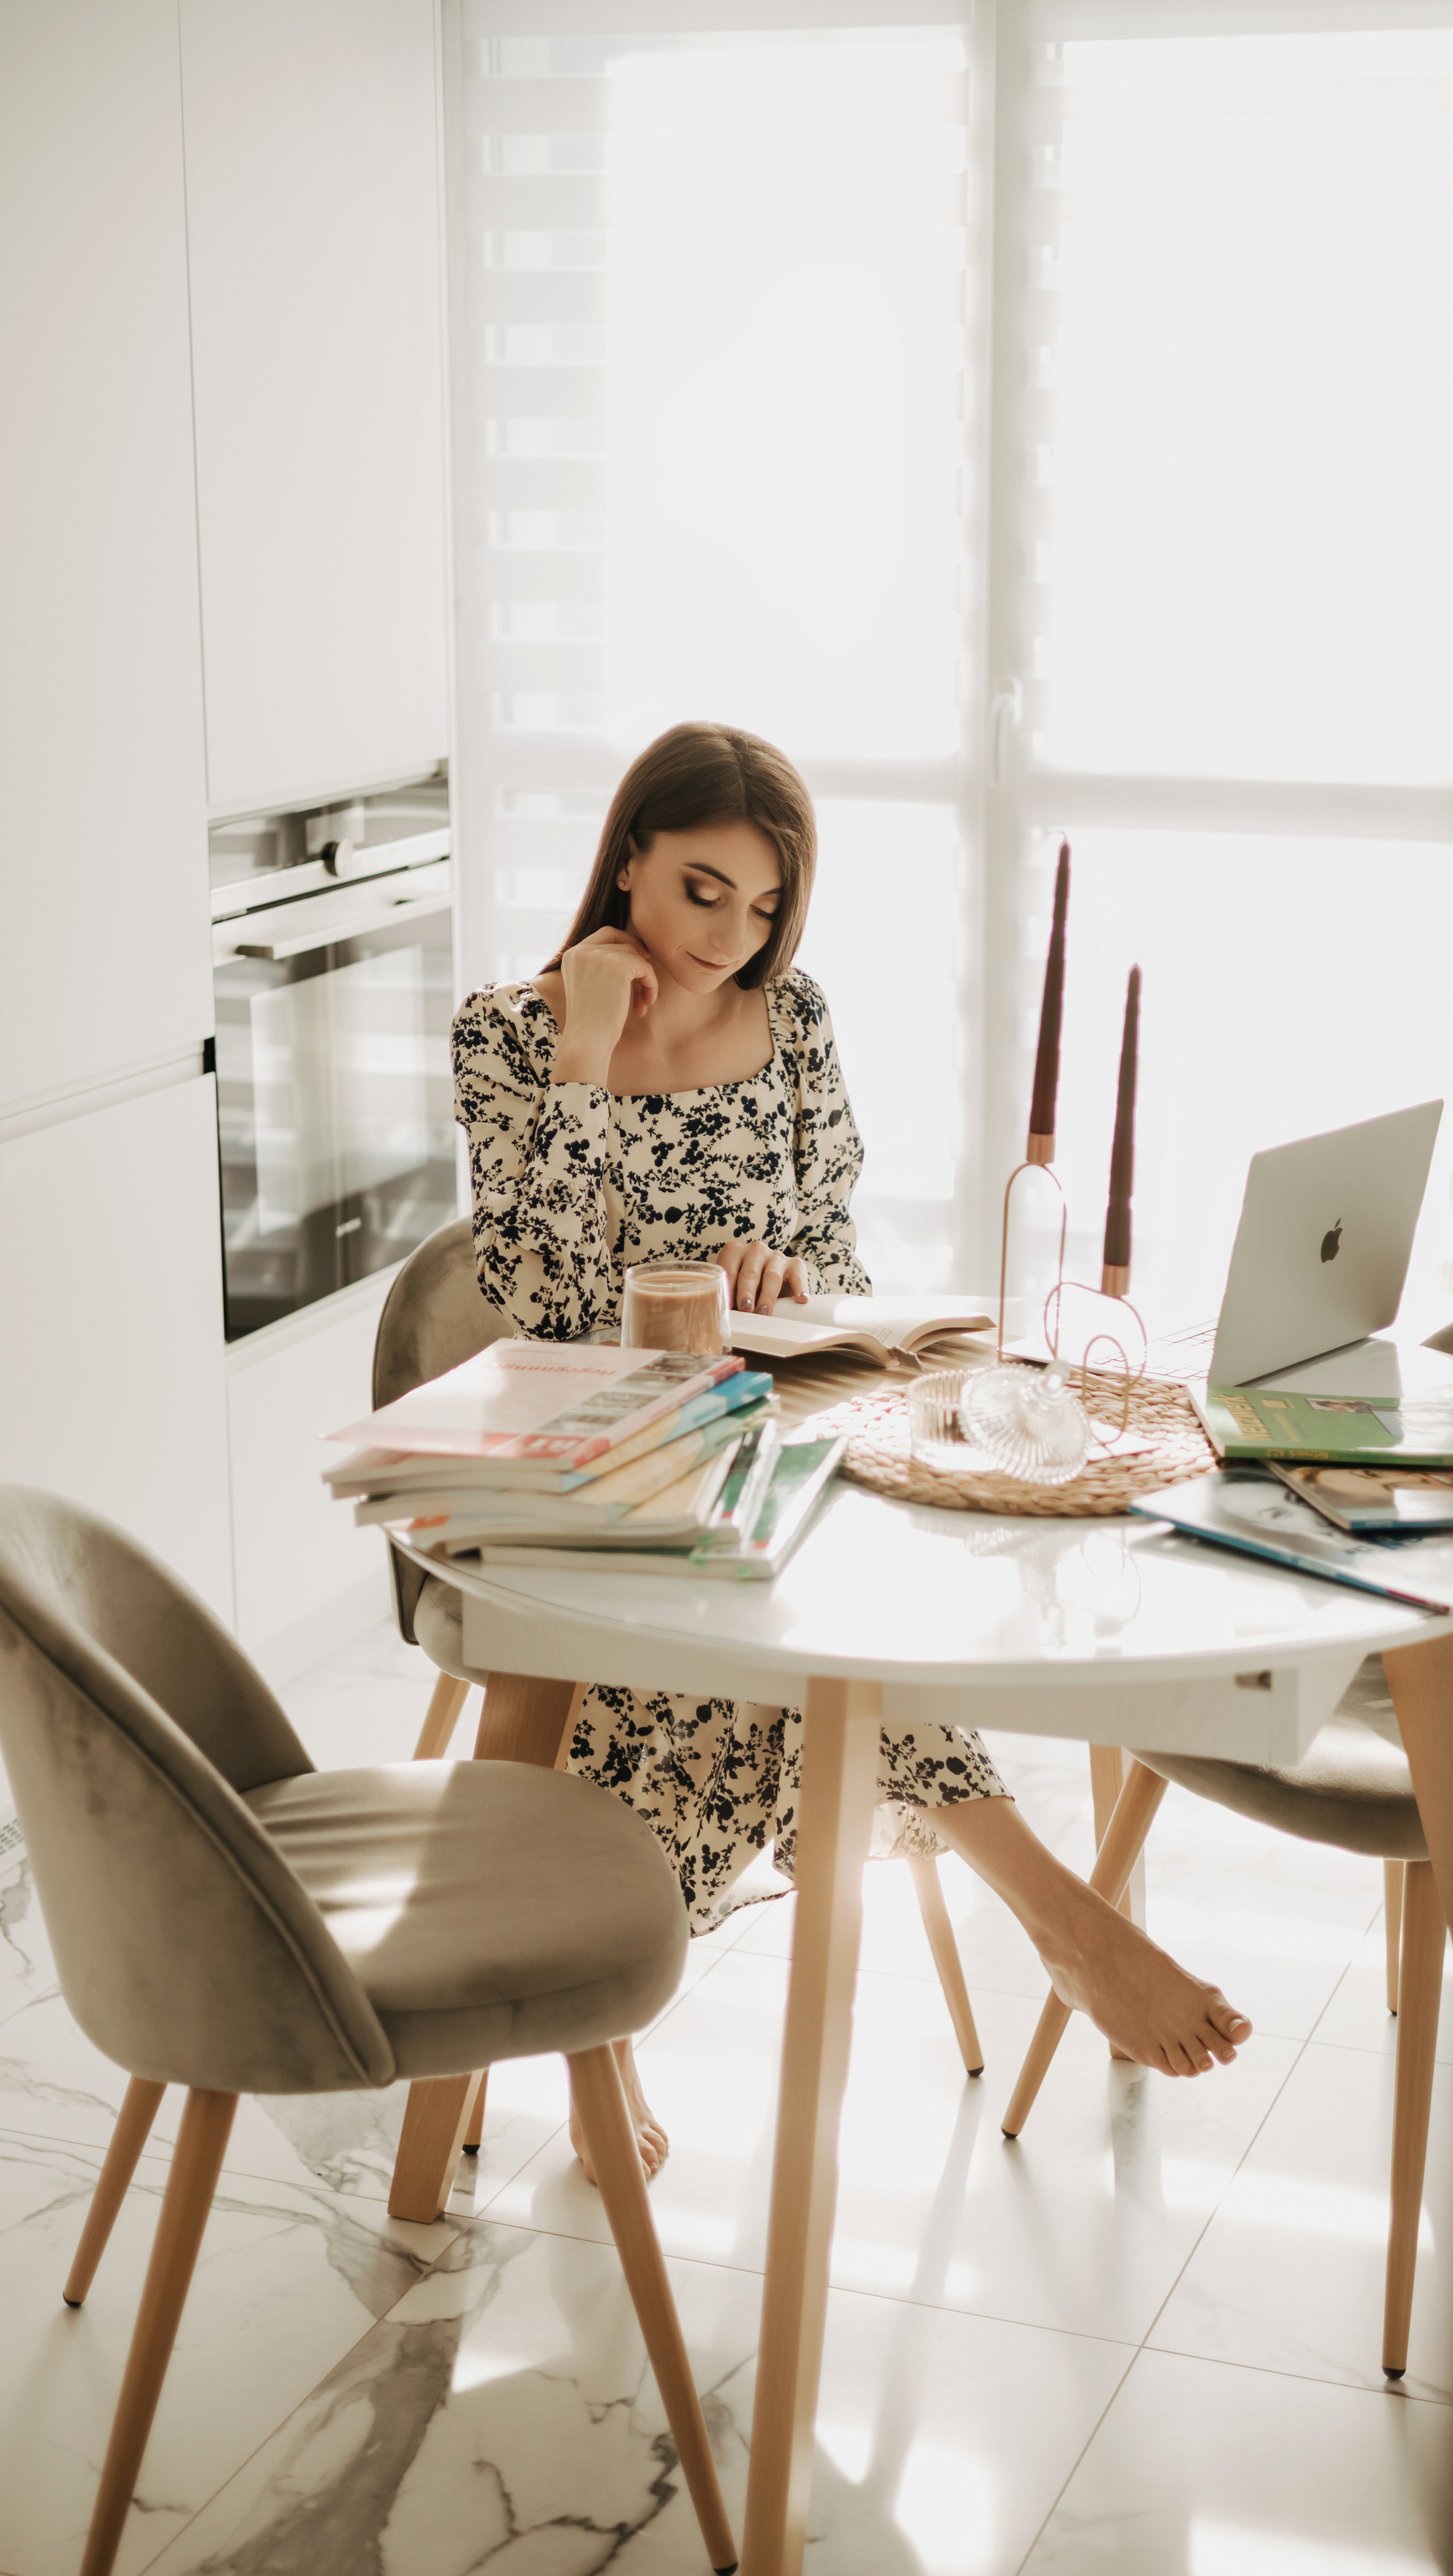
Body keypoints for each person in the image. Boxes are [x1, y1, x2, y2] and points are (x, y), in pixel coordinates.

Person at [452, 720, 1250, 2179]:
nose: (727, 936)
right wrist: (580, 1056)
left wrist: (778, 1276)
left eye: (762, 908)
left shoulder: (793, 1017)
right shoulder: (506, 1038)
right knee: (793, 1653)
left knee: (824, 1629)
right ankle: (1057, 1922)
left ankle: (1039, 1929)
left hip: (755, 1433)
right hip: (578, 1463)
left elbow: (831, 1253)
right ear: (626, 851)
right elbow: (542, 1299)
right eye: (700, 889)